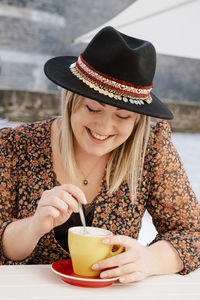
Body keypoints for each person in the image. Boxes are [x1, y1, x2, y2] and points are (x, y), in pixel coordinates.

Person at [0, 26, 199, 283]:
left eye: (123, 116)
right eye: (93, 109)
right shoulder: (16, 145)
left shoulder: (151, 150)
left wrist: (152, 259)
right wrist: (32, 227)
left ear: (138, 120)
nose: (104, 129)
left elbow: (192, 233)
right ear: (71, 100)